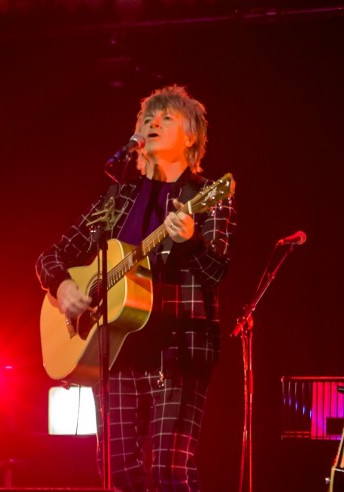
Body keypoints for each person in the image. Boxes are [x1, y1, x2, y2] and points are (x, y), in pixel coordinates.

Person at [35, 85, 235, 491]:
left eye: (166, 118)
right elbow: (49, 258)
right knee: (117, 473)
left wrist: (191, 241)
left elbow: (216, 272)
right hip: (114, 352)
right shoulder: (115, 197)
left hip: (178, 348)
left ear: (191, 136)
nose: (153, 123)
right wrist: (62, 287)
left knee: (169, 471)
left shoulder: (207, 196)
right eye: (148, 119)